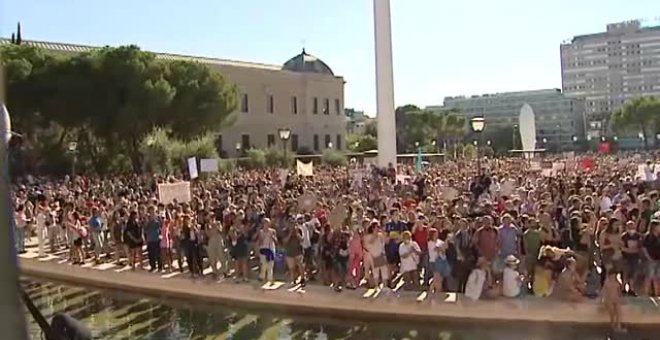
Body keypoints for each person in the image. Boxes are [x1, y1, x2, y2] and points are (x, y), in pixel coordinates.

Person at [642, 220, 660, 297]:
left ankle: (657, 294)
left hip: (658, 259)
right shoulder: (648, 236)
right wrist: (648, 257)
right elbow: (644, 248)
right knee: (649, 277)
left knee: (657, 277)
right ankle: (646, 294)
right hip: (650, 259)